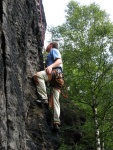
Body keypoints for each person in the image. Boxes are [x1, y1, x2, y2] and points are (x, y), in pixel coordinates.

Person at [33, 41, 64, 132]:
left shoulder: (53, 50)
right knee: (55, 101)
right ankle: (56, 123)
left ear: (50, 45)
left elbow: (59, 60)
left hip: (55, 73)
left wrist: (50, 67)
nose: (46, 46)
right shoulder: (51, 53)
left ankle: (43, 98)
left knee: (38, 76)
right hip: (58, 78)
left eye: (47, 45)